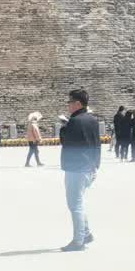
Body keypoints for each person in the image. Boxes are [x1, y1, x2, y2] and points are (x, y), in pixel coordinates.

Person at [59, 89, 101, 252]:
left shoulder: (75, 121)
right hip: (89, 166)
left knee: (75, 205)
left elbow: (66, 141)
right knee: (80, 203)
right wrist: (96, 165)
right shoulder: (92, 119)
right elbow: (97, 143)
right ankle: (86, 233)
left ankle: (78, 241)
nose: (68, 105)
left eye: (70, 102)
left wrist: (64, 127)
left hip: (76, 168)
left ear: (77, 103)